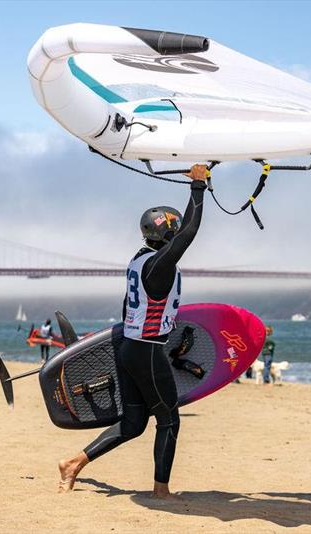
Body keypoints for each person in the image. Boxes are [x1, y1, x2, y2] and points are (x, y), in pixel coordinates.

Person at [57, 163, 210, 499]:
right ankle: (161, 491)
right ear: (167, 235)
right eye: (174, 232)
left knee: (133, 425)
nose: (177, 236)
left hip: (130, 347)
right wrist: (198, 185)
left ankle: (73, 463)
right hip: (147, 351)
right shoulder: (160, 265)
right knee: (169, 421)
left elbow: (128, 307)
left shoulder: (139, 261)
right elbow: (189, 233)